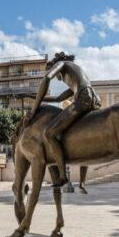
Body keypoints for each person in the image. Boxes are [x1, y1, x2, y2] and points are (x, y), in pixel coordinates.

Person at [23, 52, 101, 187]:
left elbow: (47, 79)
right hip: (94, 100)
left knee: (49, 133)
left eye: (56, 73)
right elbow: (58, 98)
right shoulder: (76, 78)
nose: (58, 78)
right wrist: (32, 96)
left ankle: (63, 175)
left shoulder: (62, 64)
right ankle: (82, 181)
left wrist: (33, 111)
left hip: (84, 99)